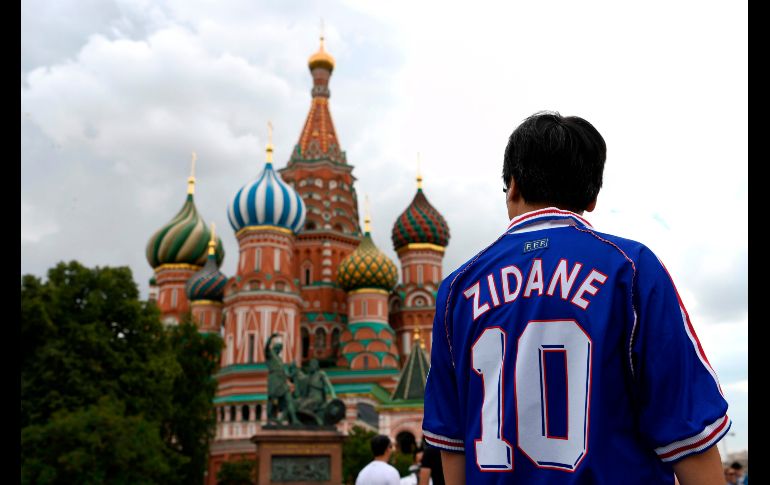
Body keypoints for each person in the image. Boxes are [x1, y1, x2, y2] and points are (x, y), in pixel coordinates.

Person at [422, 111, 730, 484]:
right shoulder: (630, 268)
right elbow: (689, 433)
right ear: (593, 197)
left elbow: (452, 444)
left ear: (514, 185)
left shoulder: (457, 290)